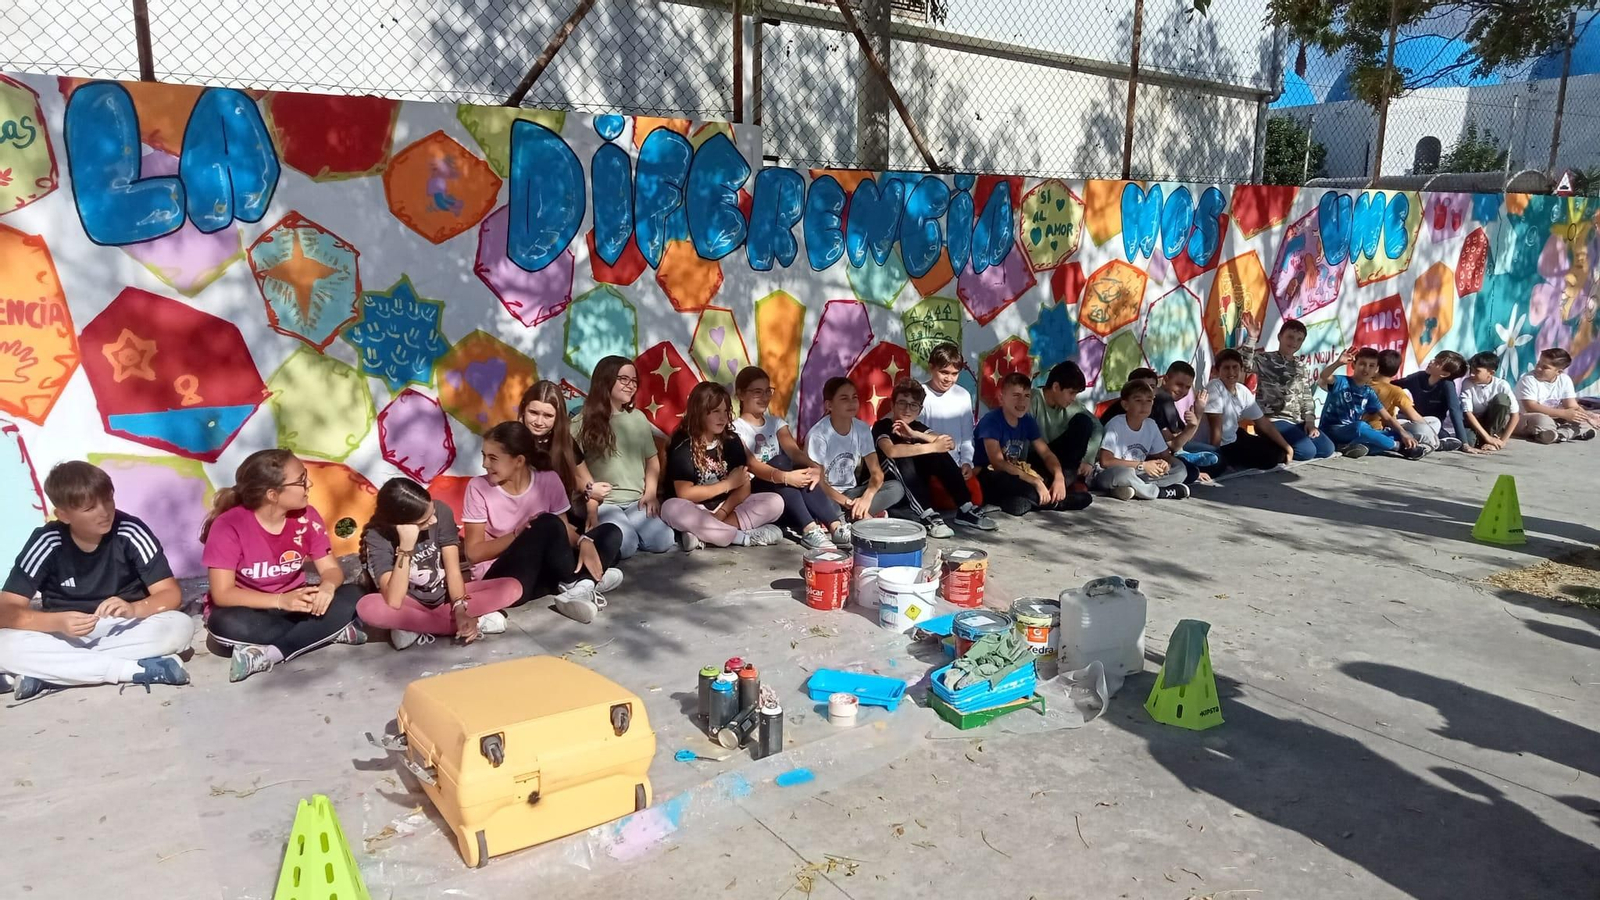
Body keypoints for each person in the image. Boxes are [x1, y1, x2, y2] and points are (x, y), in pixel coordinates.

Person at [0, 461, 192, 702]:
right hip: (63, 634)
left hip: (122, 629)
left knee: (180, 627)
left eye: (108, 500)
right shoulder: (47, 541)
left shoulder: (130, 530)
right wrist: (57, 622)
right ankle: (132, 670)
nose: (104, 512)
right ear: (63, 515)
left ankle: (49, 674)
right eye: (90, 508)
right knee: (3, 644)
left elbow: (170, 594)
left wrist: (134, 608)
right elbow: (6, 610)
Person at [202, 449, 365, 683]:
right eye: (301, 480)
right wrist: (280, 601)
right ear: (273, 494)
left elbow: (331, 570)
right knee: (223, 624)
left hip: (297, 605)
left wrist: (327, 588)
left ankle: (270, 654)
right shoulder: (228, 525)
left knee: (356, 595)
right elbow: (223, 594)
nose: (309, 484)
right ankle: (327, 632)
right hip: (253, 610)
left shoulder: (307, 517)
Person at [463, 421, 623, 625]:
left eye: (493, 458)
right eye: (484, 456)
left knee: (610, 533)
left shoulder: (548, 480)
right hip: (506, 582)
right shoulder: (478, 487)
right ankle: (583, 583)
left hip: (543, 577)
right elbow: (473, 553)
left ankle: (580, 587)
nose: (485, 464)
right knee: (545, 522)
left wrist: (583, 541)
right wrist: (517, 534)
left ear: (519, 461)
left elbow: (562, 532)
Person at [357, 478, 520, 650]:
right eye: (424, 521)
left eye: (432, 512)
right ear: (403, 525)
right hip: (409, 605)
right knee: (367, 607)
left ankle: (416, 627)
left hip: (448, 598)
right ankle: (473, 622)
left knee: (513, 587)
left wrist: (460, 610)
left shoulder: (441, 511)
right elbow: (395, 600)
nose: (433, 520)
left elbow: (453, 571)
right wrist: (406, 547)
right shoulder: (377, 536)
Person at [661, 382, 785, 551]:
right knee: (670, 508)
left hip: (727, 507)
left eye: (726, 411)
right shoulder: (683, 442)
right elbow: (685, 493)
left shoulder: (731, 440)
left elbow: (744, 486)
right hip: (694, 508)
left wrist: (721, 513)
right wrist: (728, 484)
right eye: (716, 411)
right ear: (699, 412)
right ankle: (742, 538)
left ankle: (703, 535)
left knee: (775, 502)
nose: (723, 417)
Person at [733, 366, 846, 549]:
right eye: (757, 392)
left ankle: (836, 527)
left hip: (784, 492)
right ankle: (809, 530)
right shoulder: (735, 428)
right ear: (740, 394)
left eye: (768, 391)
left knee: (798, 466)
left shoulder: (776, 423)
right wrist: (785, 477)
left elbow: (795, 452)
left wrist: (814, 468)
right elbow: (752, 464)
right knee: (781, 462)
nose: (764, 397)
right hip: (757, 491)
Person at [874, 378, 998, 538]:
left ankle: (965, 508)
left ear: (920, 410)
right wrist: (932, 446)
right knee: (904, 454)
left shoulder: (917, 427)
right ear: (892, 405)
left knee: (938, 450)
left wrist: (915, 434)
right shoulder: (882, 426)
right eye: (902, 403)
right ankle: (926, 515)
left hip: (917, 489)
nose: (907, 409)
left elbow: (949, 443)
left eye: (913, 405)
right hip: (890, 490)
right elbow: (891, 451)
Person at [577, 355, 674, 558]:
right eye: (624, 379)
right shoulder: (581, 421)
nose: (631, 385)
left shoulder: (638, 418)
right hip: (605, 503)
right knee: (626, 545)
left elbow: (652, 461)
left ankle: (622, 533)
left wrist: (651, 493)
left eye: (634, 380)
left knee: (664, 540)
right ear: (605, 380)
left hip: (635, 501)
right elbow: (572, 466)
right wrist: (590, 495)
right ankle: (614, 536)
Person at [523, 380, 627, 544]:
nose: (539, 422)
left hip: (567, 518)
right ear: (523, 409)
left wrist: (592, 514)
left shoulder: (565, 442)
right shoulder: (511, 439)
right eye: (533, 413)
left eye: (548, 416)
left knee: (611, 536)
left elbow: (588, 484)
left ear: (558, 417)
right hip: (531, 524)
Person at [976, 372, 1091, 515]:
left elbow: (1046, 453)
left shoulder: (1027, 420)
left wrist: (1059, 477)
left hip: (1017, 472)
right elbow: (997, 463)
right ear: (1001, 398)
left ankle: (1026, 502)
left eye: (1027, 396)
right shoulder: (991, 421)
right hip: (991, 475)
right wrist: (1035, 482)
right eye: (1016, 395)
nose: (1022, 401)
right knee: (1016, 485)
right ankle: (1058, 502)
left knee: (1060, 475)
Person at [805, 377, 905, 529]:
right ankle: (856, 516)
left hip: (852, 493)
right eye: (844, 398)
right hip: (828, 497)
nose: (851, 403)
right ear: (829, 405)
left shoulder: (862, 429)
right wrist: (848, 503)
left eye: (855, 397)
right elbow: (820, 482)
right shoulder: (818, 435)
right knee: (822, 504)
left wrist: (867, 498)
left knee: (896, 488)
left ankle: (851, 516)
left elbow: (877, 473)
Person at [1240, 319, 1337, 460]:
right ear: (1280, 337)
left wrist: (1310, 422)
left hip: (1296, 422)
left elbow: (1306, 396)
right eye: (1290, 337)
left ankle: (1284, 445)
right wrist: (1252, 338)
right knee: (1307, 452)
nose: (1294, 342)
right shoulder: (1265, 359)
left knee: (1327, 449)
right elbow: (1244, 364)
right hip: (1272, 421)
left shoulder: (1300, 366)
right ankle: (1270, 447)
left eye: (1299, 340)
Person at [1317, 348, 1427, 459]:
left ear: (1376, 369)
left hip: (1353, 435)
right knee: (1361, 426)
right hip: (1333, 431)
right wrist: (1338, 363)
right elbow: (1324, 376)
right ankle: (1398, 447)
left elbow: (1387, 418)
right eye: (1362, 364)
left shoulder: (1368, 392)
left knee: (1403, 434)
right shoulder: (1341, 382)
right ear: (1353, 365)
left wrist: (1404, 434)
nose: (1366, 369)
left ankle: (1350, 448)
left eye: (1371, 366)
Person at [1091, 381, 1192, 500]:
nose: (1144, 405)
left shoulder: (1151, 425)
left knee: (1180, 469)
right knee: (1124, 474)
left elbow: (1165, 455)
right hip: (1110, 473)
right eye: (1138, 400)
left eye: (1149, 401)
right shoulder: (1116, 424)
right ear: (1125, 405)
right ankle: (1159, 492)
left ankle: (1129, 489)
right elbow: (1105, 462)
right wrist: (1142, 465)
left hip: (1138, 474)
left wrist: (1164, 464)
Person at [1204, 349, 1295, 470]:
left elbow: (1263, 422)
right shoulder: (1214, 387)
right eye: (1226, 368)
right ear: (1217, 371)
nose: (1231, 372)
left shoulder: (1242, 390)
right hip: (1221, 445)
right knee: (1270, 460)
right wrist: (1215, 459)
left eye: (1235, 367)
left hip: (1235, 436)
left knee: (1279, 451)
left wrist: (1287, 447)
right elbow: (1216, 429)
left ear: (1241, 369)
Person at [1029, 361, 1101, 485]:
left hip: (1059, 463)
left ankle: (1064, 480)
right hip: (1035, 459)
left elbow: (1097, 426)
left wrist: (1088, 460)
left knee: (1084, 422)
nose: (1073, 398)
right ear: (1056, 387)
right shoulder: (1033, 399)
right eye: (1071, 393)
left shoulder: (1072, 405)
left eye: (1076, 394)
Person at [1514, 347, 1600, 443]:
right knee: (1542, 421)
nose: (1538, 368)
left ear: (1559, 372)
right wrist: (1564, 414)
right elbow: (1531, 407)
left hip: (1554, 418)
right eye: (1538, 364)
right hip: (1525, 417)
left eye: (1545, 367)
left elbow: (1572, 406)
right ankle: (1565, 433)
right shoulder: (1528, 379)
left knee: (1583, 423)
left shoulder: (1565, 380)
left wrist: (1588, 417)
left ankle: (1557, 435)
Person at [920, 343, 978, 478]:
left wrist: (967, 462)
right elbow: (917, 435)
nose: (949, 379)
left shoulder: (963, 395)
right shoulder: (919, 394)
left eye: (954, 374)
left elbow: (967, 437)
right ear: (931, 368)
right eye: (944, 372)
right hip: (927, 467)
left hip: (956, 467)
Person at [1395, 350, 1472, 453]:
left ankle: (1419, 444)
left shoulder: (1447, 385)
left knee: (1443, 435)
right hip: (1410, 421)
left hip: (1433, 426)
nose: (1431, 362)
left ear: (1444, 374)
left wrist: (1465, 443)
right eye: (1434, 359)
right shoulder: (1417, 377)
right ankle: (1433, 444)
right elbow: (1392, 385)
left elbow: (1455, 411)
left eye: (1437, 363)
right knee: (1397, 423)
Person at [1367, 349, 1441, 451]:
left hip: (1382, 424)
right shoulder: (1395, 391)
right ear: (1396, 371)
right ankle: (1432, 444)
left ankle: (1427, 440)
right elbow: (1415, 418)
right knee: (1427, 426)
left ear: (1376, 367)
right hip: (1385, 428)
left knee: (1433, 421)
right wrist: (1429, 430)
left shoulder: (1363, 382)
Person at [1459, 351, 1519, 451]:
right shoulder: (1467, 383)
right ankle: (1486, 438)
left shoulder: (1502, 385)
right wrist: (1487, 438)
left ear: (1491, 373)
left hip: (1493, 423)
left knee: (1502, 399)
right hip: (1474, 422)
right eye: (1471, 370)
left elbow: (1515, 415)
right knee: (1468, 441)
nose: (1472, 374)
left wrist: (1503, 441)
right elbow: (1468, 413)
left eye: (1477, 371)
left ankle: (1493, 438)